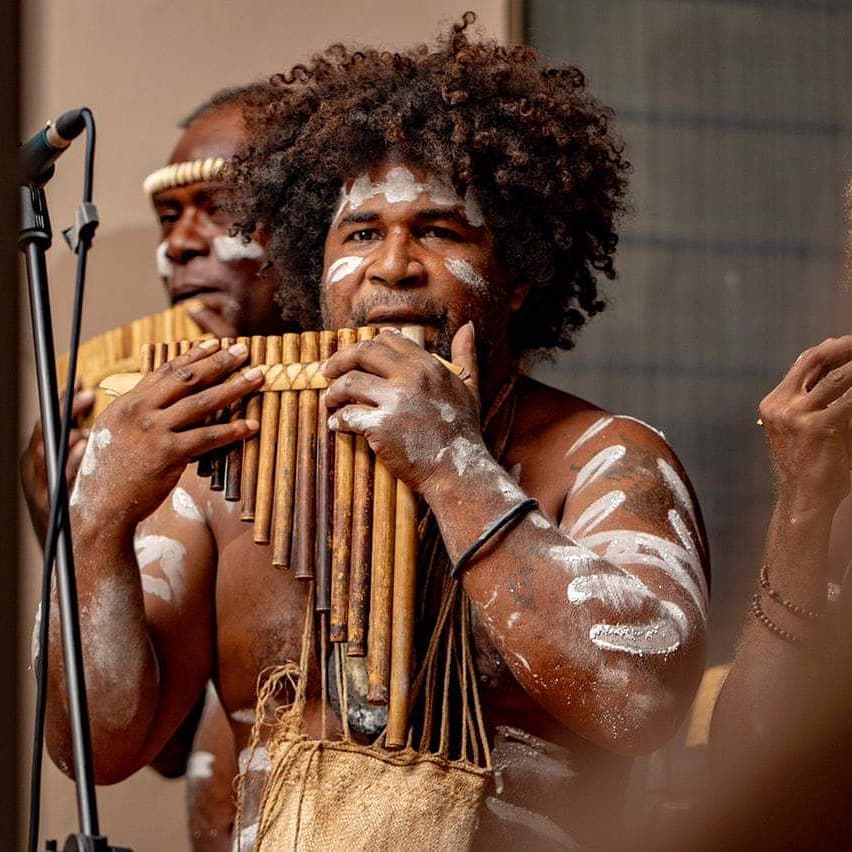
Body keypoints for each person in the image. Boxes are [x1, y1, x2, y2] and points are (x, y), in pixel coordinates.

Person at [45, 16, 709, 849]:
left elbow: (642, 703)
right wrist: (95, 518)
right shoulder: (225, 478)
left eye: (438, 229)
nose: (392, 265)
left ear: (520, 276)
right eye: (360, 234)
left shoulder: (607, 459)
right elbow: (95, 749)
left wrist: (456, 469)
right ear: (309, 271)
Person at [23, 84, 314, 851]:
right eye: (166, 217)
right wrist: (78, 529)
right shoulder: (188, 460)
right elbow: (152, 744)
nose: (180, 244)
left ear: (314, 220)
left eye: (217, 208)